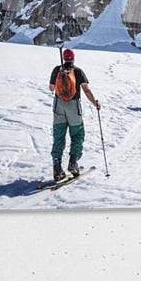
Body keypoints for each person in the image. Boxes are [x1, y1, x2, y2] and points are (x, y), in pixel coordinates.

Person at [48, 48, 100, 182]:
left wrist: (61, 80)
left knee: (58, 135)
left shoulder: (56, 69)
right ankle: (73, 163)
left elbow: (51, 88)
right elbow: (86, 90)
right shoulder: (78, 71)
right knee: (77, 134)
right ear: (73, 58)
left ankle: (57, 167)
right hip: (73, 106)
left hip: (58, 105)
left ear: (64, 58)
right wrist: (95, 103)